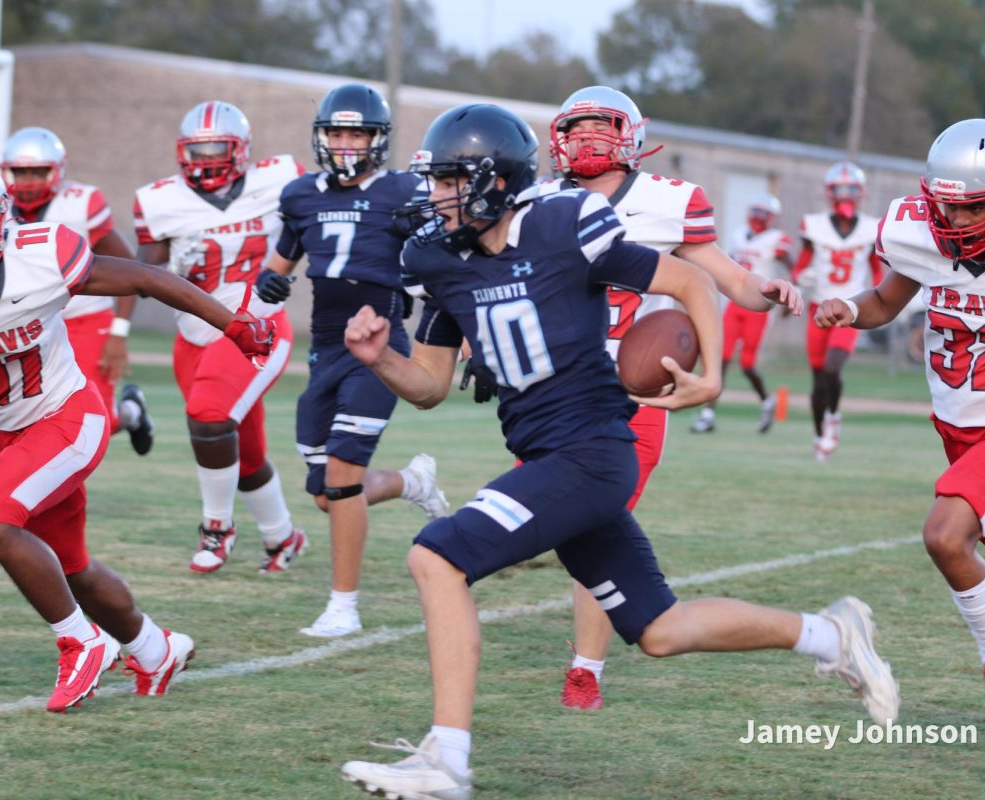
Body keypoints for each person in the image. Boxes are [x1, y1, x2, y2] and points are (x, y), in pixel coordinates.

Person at [339, 103, 897, 799]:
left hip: (593, 450)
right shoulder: (438, 259)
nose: (435, 195)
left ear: (493, 181)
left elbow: (690, 280)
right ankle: (831, 635)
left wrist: (713, 376)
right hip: (553, 456)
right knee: (660, 629)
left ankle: (445, 758)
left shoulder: (563, 222)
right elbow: (427, 386)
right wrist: (377, 358)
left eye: (451, 180)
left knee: (436, 555)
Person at [0, 149, 275, 711]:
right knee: (74, 571)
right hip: (14, 432)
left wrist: (234, 325)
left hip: (70, 415)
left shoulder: (41, 256)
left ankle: (81, 641)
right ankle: (156, 648)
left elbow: (145, 277)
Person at [545, 86, 803, 710]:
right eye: (574, 129)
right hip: (556, 397)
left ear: (630, 135)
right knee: (567, 525)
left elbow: (729, 278)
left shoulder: (666, 203)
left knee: (590, 521)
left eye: (599, 128)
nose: (586, 140)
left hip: (636, 396)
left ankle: (586, 669)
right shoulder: (541, 205)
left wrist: (765, 289)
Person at [816, 118, 985, 738]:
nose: (957, 224)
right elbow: (885, 302)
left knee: (944, 534)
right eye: (947, 208)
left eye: (973, 210)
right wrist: (849, 309)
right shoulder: (918, 233)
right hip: (962, 430)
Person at [255, 83, 448, 638]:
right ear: (320, 137)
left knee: (341, 476)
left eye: (355, 133)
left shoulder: (402, 192)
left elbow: (439, 259)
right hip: (326, 349)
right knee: (325, 494)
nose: (344, 143)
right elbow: (281, 263)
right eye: (336, 132)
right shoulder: (300, 195)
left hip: (379, 346)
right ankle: (412, 483)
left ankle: (344, 606)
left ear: (377, 140)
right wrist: (268, 284)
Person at [133, 101, 307, 575]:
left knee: (208, 417)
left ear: (242, 150)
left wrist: (284, 270)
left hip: (257, 326)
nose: (207, 158)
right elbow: (144, 271)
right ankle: (283, 537)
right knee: (241, 453)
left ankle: (217, 527)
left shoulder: (281, 178)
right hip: (192, 337)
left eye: (217, 148)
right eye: (198, 149)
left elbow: (313, 221)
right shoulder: (159, 200)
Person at [0, 126, 154, 455]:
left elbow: (131, 269)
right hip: (33, 327)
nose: (27, 181)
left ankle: (131, 412)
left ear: (57, 171)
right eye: (20, 172)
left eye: (37, 172)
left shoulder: (80, 202)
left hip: (85, 320)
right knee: (33, 421)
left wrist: (119, 332)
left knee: (100, 421)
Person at [792, 161, 884, 461]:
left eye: (850, 189)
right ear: (829, 192)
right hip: (818, 308)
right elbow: (801, 263)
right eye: (839, 189)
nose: (844, 194)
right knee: (818, 379)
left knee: (833, 367)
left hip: (849, 309)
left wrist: (883, 301)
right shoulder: (814, 225)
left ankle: (834, 416)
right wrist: (798, 277)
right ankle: (820, 435)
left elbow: (876, 270)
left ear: (860, 193)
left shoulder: (871, 228)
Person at [691, 193, 794, 433]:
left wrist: (791, 297)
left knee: (747, 364)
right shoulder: (739, 234)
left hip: (759, 306)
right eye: (756, 211)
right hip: (735, 303)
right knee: (721, 358)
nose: (758, 217)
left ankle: (767, 402)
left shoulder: (776, 239)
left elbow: (793, 267)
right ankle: (708, 414)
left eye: (763, 213)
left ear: (773, 218)